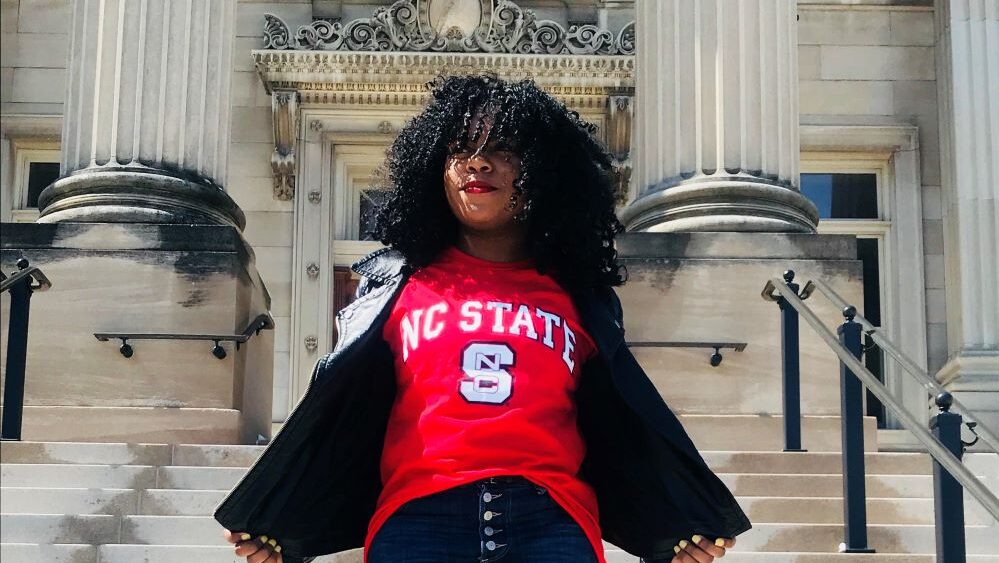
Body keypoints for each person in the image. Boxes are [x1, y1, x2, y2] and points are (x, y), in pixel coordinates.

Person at [217, 74, 750, 563]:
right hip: (417, 518)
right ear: (436, 171)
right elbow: (340, 418)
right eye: (460, 151)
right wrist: (287, 526)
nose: (477, 163)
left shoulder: (578, 296)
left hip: (552, 519)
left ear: (542, 169)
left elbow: (624, 426)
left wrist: (675, 526)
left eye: (501, 150)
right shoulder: (393, 285)